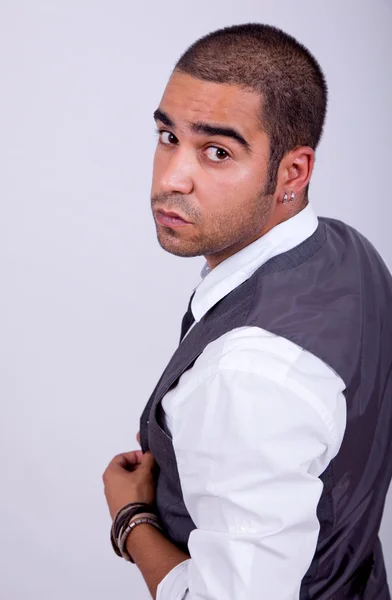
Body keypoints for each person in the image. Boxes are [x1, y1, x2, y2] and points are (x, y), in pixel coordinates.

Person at [102, 23, 392, 599]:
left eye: (217, 151)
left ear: (292, 174)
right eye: (167, 137)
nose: (171, 178)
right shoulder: (347, 248)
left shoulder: (246, 375)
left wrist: (131, 520)